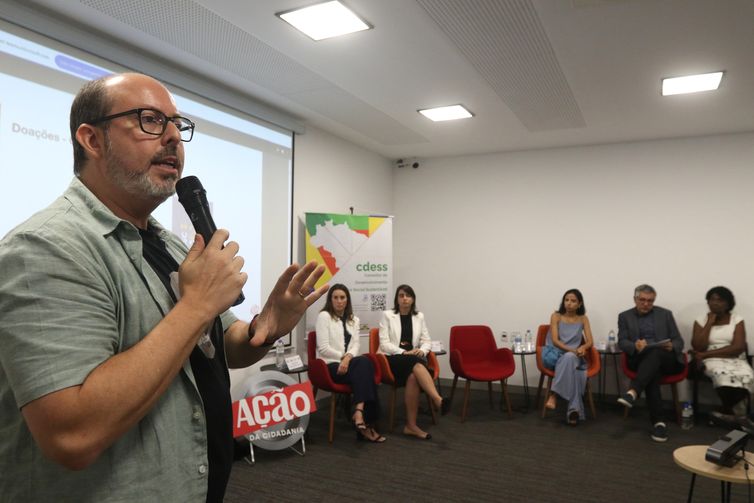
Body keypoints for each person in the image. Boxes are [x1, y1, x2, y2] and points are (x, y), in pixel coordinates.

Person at [0, 73, 327, 502]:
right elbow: (72, 435)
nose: (173, 137)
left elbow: (225, 343)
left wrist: (264, 328)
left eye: (177, 124)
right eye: (150, 120)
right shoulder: (44, 248)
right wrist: (195, 307)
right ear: (91, 140)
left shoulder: (169, 243)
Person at [378, 284, 449, 440]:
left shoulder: (419, 316)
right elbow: (384, 344)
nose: (404, 299)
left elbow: (426, 340)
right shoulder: (388, 315)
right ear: (397, 299)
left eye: (408, 296)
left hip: (413, 361)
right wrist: (404, 352)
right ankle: (438, 400)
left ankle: (411, 426)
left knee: (413, 376)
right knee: (414, 362)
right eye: (401, 295)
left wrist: (422, 350)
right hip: (392, 359)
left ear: (413, 299)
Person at [316, 284, 384, 442]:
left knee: (364, 366)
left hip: (349, 364)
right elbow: (324, 348)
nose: (339, 301)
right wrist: (343, 357)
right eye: (336, 297)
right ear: (330, 300)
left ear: (347, 300)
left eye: (342, 297)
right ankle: (366, 423)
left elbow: (355, 345)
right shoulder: (324, 316)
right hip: (330, 365)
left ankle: (359, 412)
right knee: (365, 366)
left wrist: (347, 358)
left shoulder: (354, 320)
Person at [616, 284, 685, 442]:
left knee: (656, 352)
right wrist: (635, 345)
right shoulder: (624, 316)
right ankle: (659, 424)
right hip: (640, 359)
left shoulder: (665, 314)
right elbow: (622, 342)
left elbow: (679, 341)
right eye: (642, 300)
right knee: (652, 371)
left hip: (667, 360)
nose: (646, 304)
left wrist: (672, 345)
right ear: (635, 299)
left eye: (650, 301)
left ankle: (633, 392)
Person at [691, 286, 754, 423]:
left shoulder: (736, 319)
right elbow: (698, 346)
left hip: (734, 358)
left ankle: (728, 413)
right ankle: (738, 416)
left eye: (720, 300)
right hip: (711, 360)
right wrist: (709, 323)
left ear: (728, 303)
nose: (715, 303)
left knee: (747, 375)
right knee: (721, 374)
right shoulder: (700, 320)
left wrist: (706, 354)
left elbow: (738, 347)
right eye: (712, 299)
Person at [542, 289, 594, 425]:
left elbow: (590, 341)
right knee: (572, 363)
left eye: (573, 301)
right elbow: (555, 341)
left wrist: (583, 347)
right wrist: (573, 350)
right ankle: (572, 409)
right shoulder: (556, 316)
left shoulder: (583, 319)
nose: (569, 303)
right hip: (555, 354)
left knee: (571, 361)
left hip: (573, 356)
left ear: (579, 303)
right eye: (566, 300)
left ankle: (555, 395)